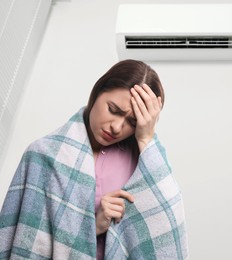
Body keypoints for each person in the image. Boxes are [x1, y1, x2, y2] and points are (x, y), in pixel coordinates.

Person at [0, 59, 188, 259]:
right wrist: (94, 226)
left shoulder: (144, 166)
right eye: (113, 110)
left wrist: (145, 137)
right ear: (97, 92)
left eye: (132, 122)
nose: (116, 127)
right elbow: (24, 239)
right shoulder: (43, 155)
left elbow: (167, 226)